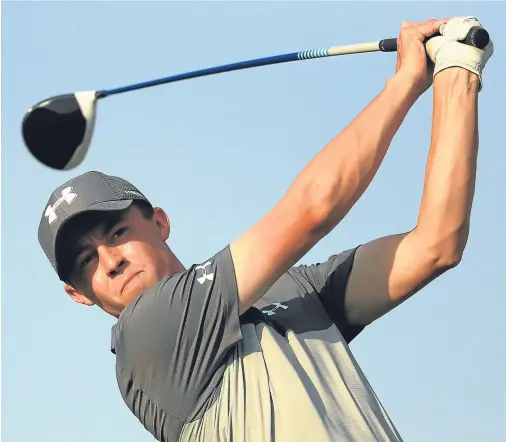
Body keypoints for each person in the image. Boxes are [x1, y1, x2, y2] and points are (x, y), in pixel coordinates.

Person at [37, 17, 493, 442]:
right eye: (86, 261)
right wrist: (405, 82)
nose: (111, 261)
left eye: (117, 233)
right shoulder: (146, 331)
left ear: (160, 221)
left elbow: (436, 245)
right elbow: (313, 209)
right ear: (78, 293)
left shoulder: (290, 288)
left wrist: (458, 72)